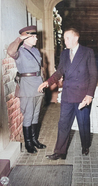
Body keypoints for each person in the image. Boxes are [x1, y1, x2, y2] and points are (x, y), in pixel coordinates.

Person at [38, 28, 98, 160]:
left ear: (76, 38)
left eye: (67, 38)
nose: (65, 41)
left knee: (83, 123)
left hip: (82, 96)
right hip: (67, 94)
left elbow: (93, 75)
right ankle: (60, 152)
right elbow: (59, 72)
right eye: (64, 38)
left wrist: (89, 95)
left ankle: (85, 145)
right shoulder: (65, 54)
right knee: (63, 123)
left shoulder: (87, 52)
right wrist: (48, 82)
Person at [7, 25, 46, 153]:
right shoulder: (20, 51)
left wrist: (44, 82)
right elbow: (10, 52)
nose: (36, 39)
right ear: (26, 38)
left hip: (38, 85)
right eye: (33, 36)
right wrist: (19, 39)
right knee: (28, 115)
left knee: (35, 115)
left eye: (35, 36)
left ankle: (34, 140)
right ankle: (28, 143)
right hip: (27, 86)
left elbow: (40, 68)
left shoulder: (36, 51)